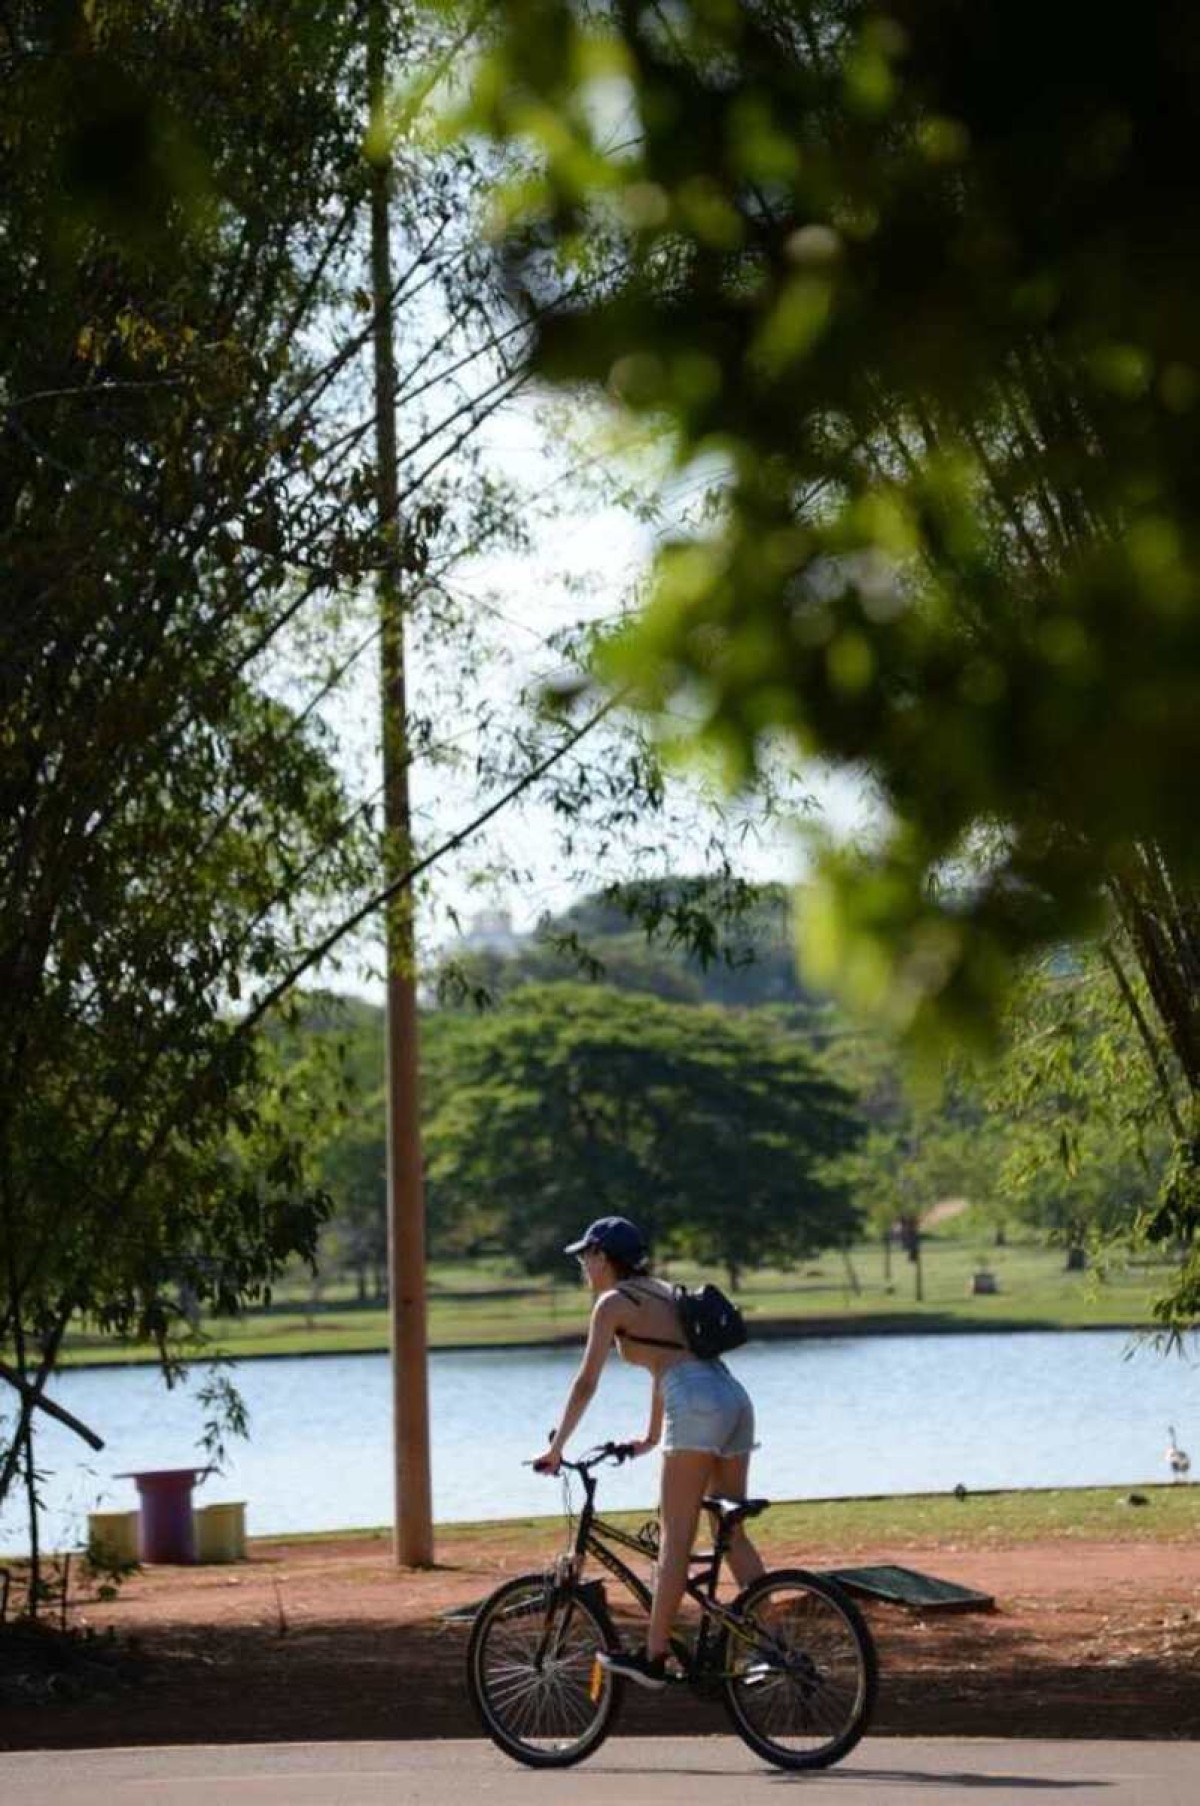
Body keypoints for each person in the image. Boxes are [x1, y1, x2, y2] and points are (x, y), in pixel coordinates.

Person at [531, 1214, 764, 1689]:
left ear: (602, 1257)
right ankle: (774, 1647)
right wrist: (652, 1435)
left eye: (585, 1257)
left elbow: (586, 1382)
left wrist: (556, 1448)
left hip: (695, 1403)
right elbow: (670, 1361)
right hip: (734, 1398)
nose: (583, 1267)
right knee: (728, 1530)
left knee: (675, 1537)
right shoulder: (664, 1291)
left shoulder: (613, 1303)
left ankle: (654, 1658)